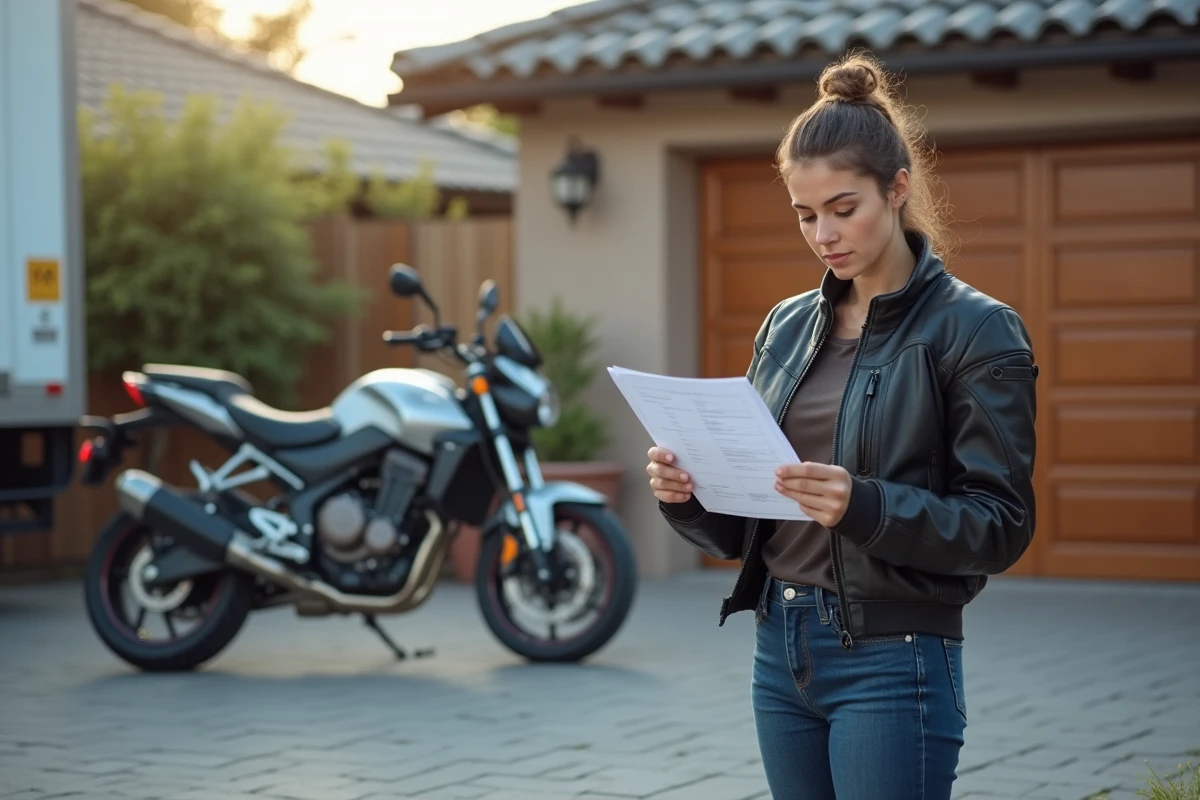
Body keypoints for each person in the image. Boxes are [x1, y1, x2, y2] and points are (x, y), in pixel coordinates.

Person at [645, 53, 1037, 800]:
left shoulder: (977, 330)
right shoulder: (787, 326)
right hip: (778, 643)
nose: (823, 232)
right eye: (804, 213)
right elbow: (745, 528)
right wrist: (687, 495)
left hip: (895, 657)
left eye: (843, 207)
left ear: (898, 189)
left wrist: (864, 505)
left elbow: (1000, 524)